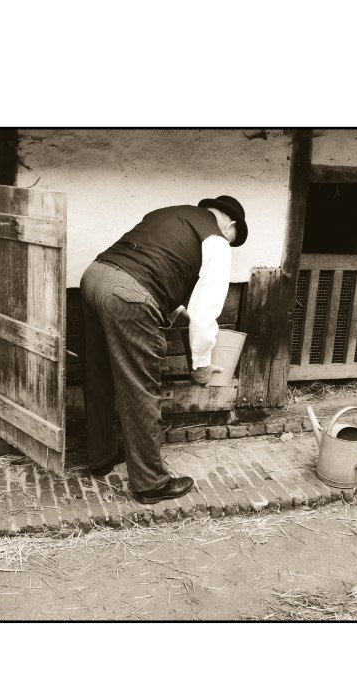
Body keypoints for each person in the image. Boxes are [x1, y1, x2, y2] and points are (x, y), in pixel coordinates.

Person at [80, 195, 248, 504]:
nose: (229, 243)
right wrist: (201, 366)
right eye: (233, 239)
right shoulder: (216, 241)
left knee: (98, 373)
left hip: (94, 277)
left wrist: (173, 309)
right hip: (125, 295)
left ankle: (101, 455)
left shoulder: (169, 214)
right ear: (231, 225)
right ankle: (150, 483)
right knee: (140, 388)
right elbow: (205, 314)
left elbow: (152, 267)